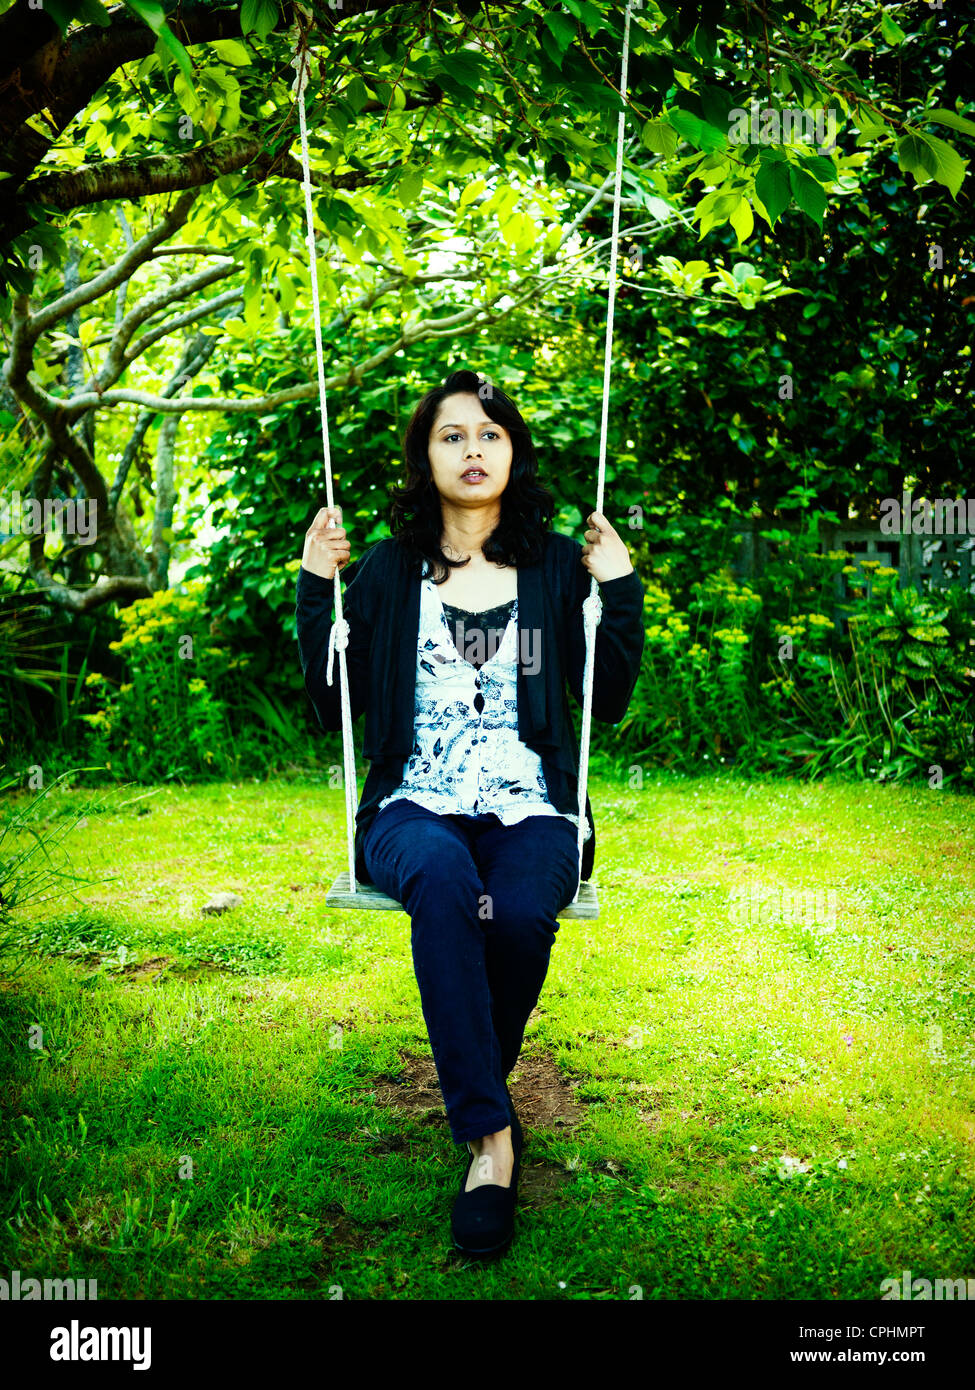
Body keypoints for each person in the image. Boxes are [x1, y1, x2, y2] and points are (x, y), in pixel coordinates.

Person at [295, 367, 644, 1256]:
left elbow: (609, 703)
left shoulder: (558, 568)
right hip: (413, 802)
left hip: (531, 801)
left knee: (525, 909)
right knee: (445, 880)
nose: (472, 450)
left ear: (513, 453)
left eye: (489, 434)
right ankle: (490, 1140)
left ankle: (476, 1084)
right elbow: (327, 704)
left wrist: (622, 585)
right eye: (452, 435)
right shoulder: (383, 570)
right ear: (425, 456)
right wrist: (311, 585)